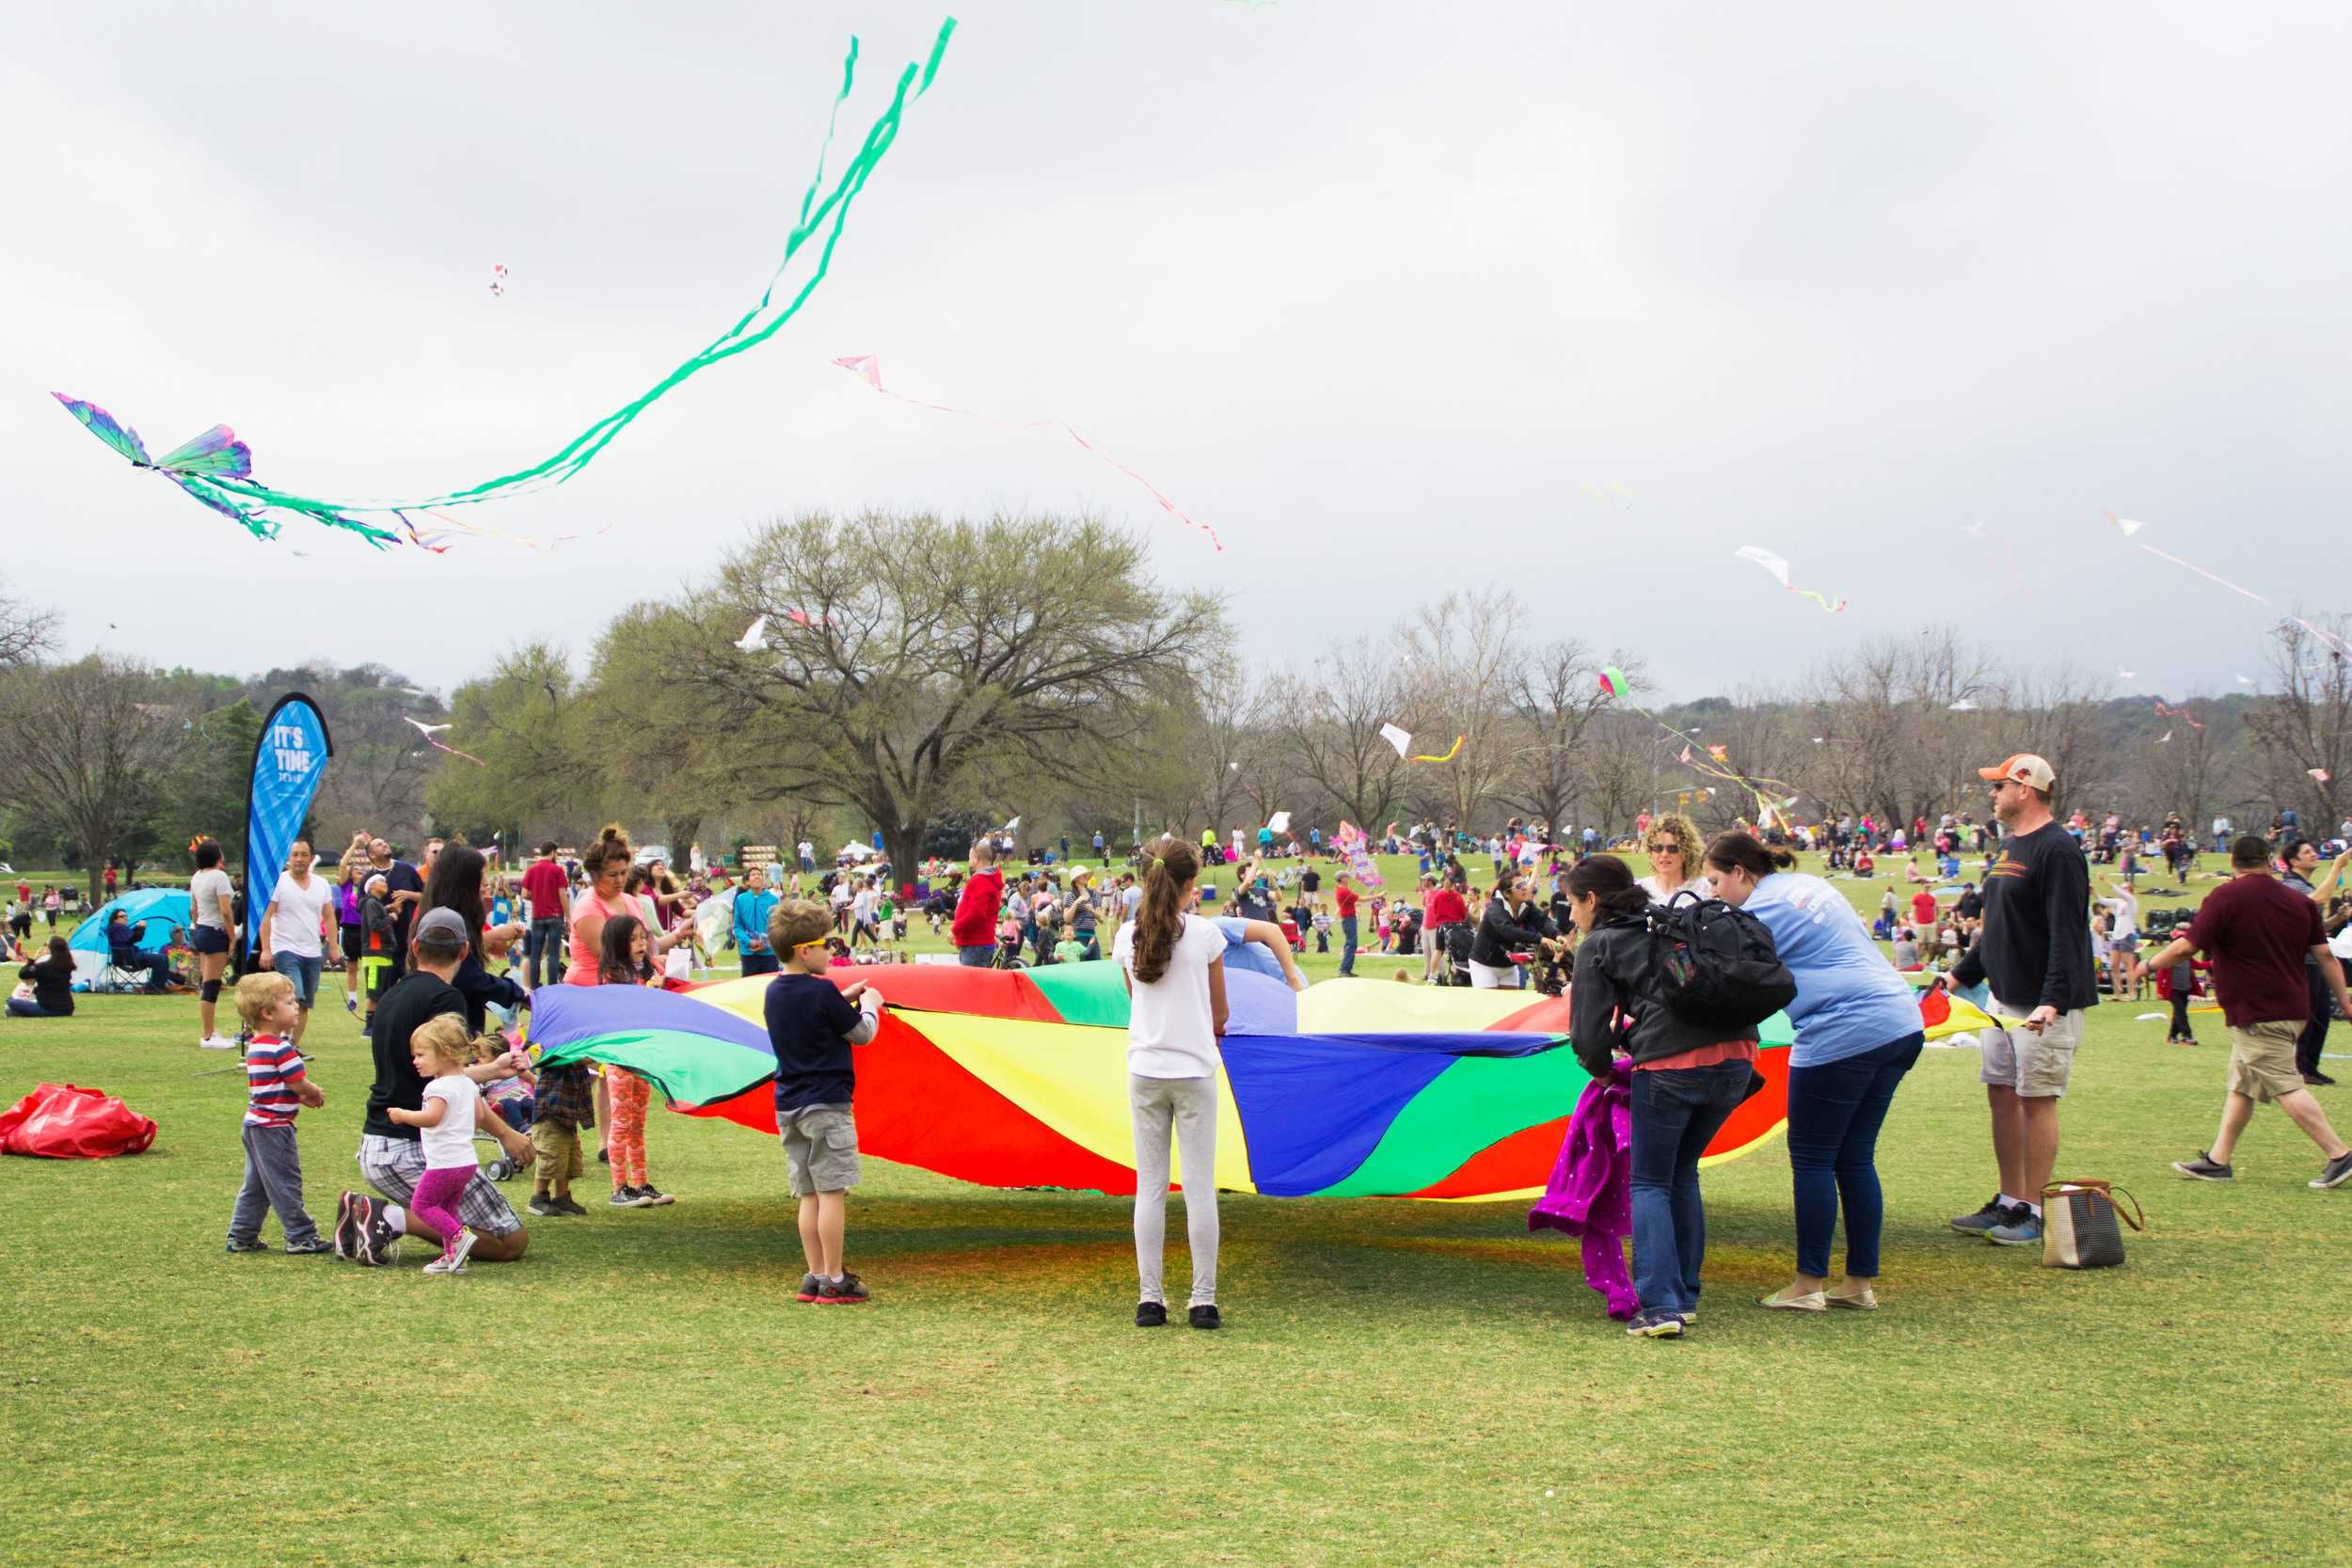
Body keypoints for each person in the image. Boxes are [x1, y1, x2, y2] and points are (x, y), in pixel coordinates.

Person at [1704, 832, 1925, 1311]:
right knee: (1856, 1158)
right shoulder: (1807, 884)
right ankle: (1859, 1281)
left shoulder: (1760, 910)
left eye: (1717, 881)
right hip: (1900, 1020)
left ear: (1741, 872)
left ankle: (1808, 1284)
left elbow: (1722, 968)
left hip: (1842, 1030)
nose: (1714, 893)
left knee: (1812, 1159)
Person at [1563, 855, 1759, 1338]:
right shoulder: (1668, 923)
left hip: (1672, 1067)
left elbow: (1587, 1039)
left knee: (1649, 1182)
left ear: (1592, 900)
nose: (1569, 916)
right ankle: (1684, 1295)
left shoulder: (1601, 943)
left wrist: (1606, 1075)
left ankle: (1660, 1306)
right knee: (1680, 1173)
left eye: (1571, 903)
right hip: (1738, 1060)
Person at [1948, 753, 2098, 1247]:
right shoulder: (2012, 845)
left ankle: (2034, 1207)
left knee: (2037, 1100)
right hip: (2002, 1000)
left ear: (2026, 789)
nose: (1992, 795)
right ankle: (2010, 1200)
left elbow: (2067, 932)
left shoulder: (2057, 849)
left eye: (1999, 787)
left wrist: (2052, 999)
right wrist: (1961, 974)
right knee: (2001, 1094)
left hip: (2041, 1005)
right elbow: (1999, 930)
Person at [2146, 836, 2352, 1190]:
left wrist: (2147, 964)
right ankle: (2218, 1160)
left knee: (2286, 1086)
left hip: (2258, 1011)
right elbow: (2326, 957)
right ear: (2270, 860)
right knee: (2241, 1085)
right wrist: (2345, 1002)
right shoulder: (2297, 901)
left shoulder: (2225, 897)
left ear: (2233, 862)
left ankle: (2340, 1155)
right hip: (2291, 1007)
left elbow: (2186, 946)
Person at [334, 909, 535, 1267]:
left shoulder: (393, 996)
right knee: (509, 1241)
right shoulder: (446, 1000)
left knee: (463, 1222)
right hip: (414, 1150)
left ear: (414, 946)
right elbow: (454, 1090)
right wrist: (507, 1134)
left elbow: (434, 1081)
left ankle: (385, 1217)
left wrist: (492, 1069)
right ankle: (385, 1217)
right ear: (463, 952)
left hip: (377, 1143)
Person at [1113, 838, 1229, 1330]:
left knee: (1151, 1187)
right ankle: (1202, 1299)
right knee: (1200, 1187)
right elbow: (1221, 1013)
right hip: (1195, 1070)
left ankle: (1150, 1298)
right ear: (1188, 886)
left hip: (1146, 1070)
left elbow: (1134, 1000)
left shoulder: (1126, 936)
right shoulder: (1204, 934)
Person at [764, 898, 885, 1305]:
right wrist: (869, 1006)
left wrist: (841, 996)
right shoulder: (823, 993)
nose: (831, 951)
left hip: (789, 1106)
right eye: (826, 944)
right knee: (832, 1191)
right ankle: (836, 1278)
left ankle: (815, 1274)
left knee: (809, 1193)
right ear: (805, 950)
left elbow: (814, 1017)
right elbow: (862, 1034)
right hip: (827, 1107)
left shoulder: (773, 991)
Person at [223, 972, 332, 1255]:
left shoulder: (256, 1045)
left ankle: (242, 1234)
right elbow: (297, 1082)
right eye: (289, 1002)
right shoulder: (281, 1048)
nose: (296, 1006)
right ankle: (301, 1235)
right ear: (268, 1013)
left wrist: (298, 1095)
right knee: (285, 1182)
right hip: (274, 1127)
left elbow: (276, 1084)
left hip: (255, 1123)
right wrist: (314, 1092)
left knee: (257, 1184)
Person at [381, 1015, 487, 1275]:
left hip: (445, 1163)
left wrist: (402, 1115)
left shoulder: (436, 1087)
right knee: (448, 1208)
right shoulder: (467, 1083)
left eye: (420, 1055)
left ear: (445, 1053)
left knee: (421, 1206)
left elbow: (431, 1118)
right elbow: (480, 1117)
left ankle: (457, 1238)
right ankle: (452, 1257)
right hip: (466, 1161)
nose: (415, 1061)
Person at [596, 912, 674, 1208]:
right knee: (621, 1121)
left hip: (643, 1057)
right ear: (618, 943)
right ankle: (619, 1187)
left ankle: (640, 1182)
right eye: (633, 939)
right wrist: (649, 990)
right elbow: (622, 1009)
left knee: (638, 1122)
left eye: (643, 937)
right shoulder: (612, 976)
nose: (641, 944)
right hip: (621, 1058)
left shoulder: (645, 970)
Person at [2279, 838, 2351, 1085]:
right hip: (2299, 962)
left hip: (2314, 961)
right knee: (2307, 1016)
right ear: (2294, 861)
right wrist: (2338, 865)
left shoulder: (2304, 885)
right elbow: (2315, 900)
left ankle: (2311, 1067)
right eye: (2307, 852)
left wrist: (2335, 920)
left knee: (2321, 1013)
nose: (2314, 854)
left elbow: (2313, 929)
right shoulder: (2291, 885)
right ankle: (2300, 1069)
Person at [256, 840, 335, 1048]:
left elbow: (329, 917)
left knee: (305, 1002)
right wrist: (266, 949)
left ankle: (294, 1046)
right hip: (285, 948)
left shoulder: (321, 884)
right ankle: (281, 1040)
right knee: (294, 996)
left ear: (311, 857)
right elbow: (266, 916)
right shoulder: (279, 882)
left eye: (303, 854)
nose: (299, 859)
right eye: (295, 855)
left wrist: (334, 947)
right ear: (288, 858)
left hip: (312, 950)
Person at [183, 840, 242, 1048]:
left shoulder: (197, 876)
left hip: (200, 929)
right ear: (218, 856)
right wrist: (232, 937)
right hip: (215, 931)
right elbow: (226, 911)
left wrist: (199, 925)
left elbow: (193, 909)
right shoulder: (219, 876)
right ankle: (208, 1035)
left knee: (206, 984)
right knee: (211, 985)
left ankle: (209, 1032)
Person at [564, 828, 637, 988]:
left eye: (624, 873)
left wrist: (678, 934)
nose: (620, 880)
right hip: (591, 988)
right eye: (613, 875)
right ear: (596, 875)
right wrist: (646, 957)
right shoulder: (588, 907)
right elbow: (607, 954)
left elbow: (648, 944)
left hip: (626, 986)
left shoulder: (631, 901)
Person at [1468, 874, 1560, 990]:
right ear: (1507, 893)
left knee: (1511, 1006)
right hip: (1484, 964)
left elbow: (1542, 921)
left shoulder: (1526, 905)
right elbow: (1508, 930)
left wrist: (1557, 935)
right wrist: (1540, 939)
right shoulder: (1495, 908)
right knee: (1490, 1006)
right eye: (1519, 886)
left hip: (1508, 966)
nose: (1525, 888)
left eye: (1525, 884)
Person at [521, 840, 571, 990]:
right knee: (553, 952)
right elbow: (562, 894)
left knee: (536, 953)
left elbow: (524, 894)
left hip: (537, 915)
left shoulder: (531, 870)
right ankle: (552, 985)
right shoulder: (557, 870)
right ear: (552, 852)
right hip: (555, 915)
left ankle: (535, 985)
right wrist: (568, 915)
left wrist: (536, 897)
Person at [950, 838, 1005, 967]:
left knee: (971, 985)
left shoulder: (981, 880)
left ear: (976, 857)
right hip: (977, 942)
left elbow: (976, 914)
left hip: (976, 944)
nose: (969, 860)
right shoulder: (988, 879)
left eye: (970, 857)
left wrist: (955, 930)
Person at [1636, 813, 1711, 904]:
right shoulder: (1639, 890)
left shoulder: (1704, 889)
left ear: (1687, 851)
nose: (1664, 854)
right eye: (1657, 848)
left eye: (1672, 849)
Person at [8, 936, 76, 1018]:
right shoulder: (68, 966)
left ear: (50, 950)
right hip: (67, 1009)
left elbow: (23, 974)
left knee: (11, 1001)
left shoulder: (43, 966)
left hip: (49, 1008)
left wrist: (33, 960)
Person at [733, 863, 781, 976]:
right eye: (753, 874)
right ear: (747, 881)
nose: (757, 876)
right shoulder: (741, 899)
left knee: (769, 987)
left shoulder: (773, 900)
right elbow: (737, 926)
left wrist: (766, 943)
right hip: (748, 953)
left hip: (769, 953)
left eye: (759, 874)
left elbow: (778, 927)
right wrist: (748, 942)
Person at [1334, 873, 1360, 977]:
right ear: (1341, 879)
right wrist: (1378, 895)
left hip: (1349, 919)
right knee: (1351, 944)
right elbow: (1360, 898)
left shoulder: (1341, 889)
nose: (1348, 878)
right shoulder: (1343, 891)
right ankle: (1344, 969)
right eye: (1346, 877)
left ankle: (1347, 969)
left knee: (1350, 944)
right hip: (1349, 920)